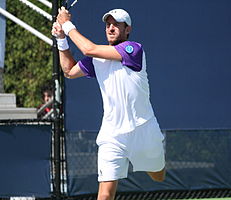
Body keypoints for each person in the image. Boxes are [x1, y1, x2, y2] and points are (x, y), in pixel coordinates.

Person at [51, 7, 166, 200]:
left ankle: (147, 161)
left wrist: (67, 24)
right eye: (108, 24)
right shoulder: (97, 60)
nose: (111, 28)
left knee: (158, 176)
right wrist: (61, 38)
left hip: (144, 128)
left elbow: (88, 49)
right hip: (112, 135)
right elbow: (69, 71)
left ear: (127, 29)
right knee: (104, 195)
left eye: (116, 25)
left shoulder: (133, 49)